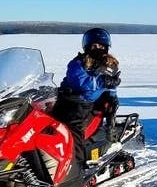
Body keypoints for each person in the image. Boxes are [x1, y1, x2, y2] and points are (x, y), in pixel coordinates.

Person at [51, 28, 122, 172]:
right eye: (94, 46)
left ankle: (76, 169)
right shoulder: (78, 63)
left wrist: (113, 99)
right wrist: (103, 82)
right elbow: (80, 82)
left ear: (106, 47)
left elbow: (112, 87)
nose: (97, 49)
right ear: (87, 46)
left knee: (73, 133)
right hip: (66, 101)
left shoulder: (110, 64)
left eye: (101, 46)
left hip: (84, 107)